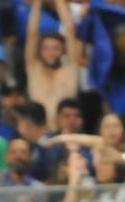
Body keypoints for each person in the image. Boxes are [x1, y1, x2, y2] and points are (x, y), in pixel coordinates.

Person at [24, 0, 78, 130]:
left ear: (63, 51)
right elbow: (32, 34)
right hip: (39, 133)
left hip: (66, 133)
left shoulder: (69, 70)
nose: (51, 53)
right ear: (40, 51)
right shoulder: (34, 69)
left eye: (55, 48)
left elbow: (70, 30)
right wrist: (37, 3)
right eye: (46, 48)